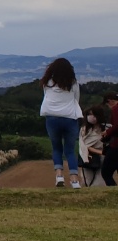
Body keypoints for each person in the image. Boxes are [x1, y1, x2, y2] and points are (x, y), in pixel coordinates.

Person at [39, 57, 83, 188]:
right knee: (70, 150)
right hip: (70, 118)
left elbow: (46, 96)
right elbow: (76, 100)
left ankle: (59, 176)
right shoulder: (73, 83)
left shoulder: (47, 83)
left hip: (52, 117)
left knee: (57, 148)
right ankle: (74, 180)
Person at [79, 107, 106, 188]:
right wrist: (100, 152)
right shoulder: (84, 129)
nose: (91, 117)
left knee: (99, 182)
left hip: (103, 158)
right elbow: (84, 146)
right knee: (87, 181)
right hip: (88, 157)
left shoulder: (106, 129)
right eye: (89, 114)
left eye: (93, 114)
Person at [99, 92, 118, 187]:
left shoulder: (115, 108)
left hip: (116, 145)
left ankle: (113, 189)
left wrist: (107, 132)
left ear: (110, 101)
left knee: (106, 172)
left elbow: (117, 125)